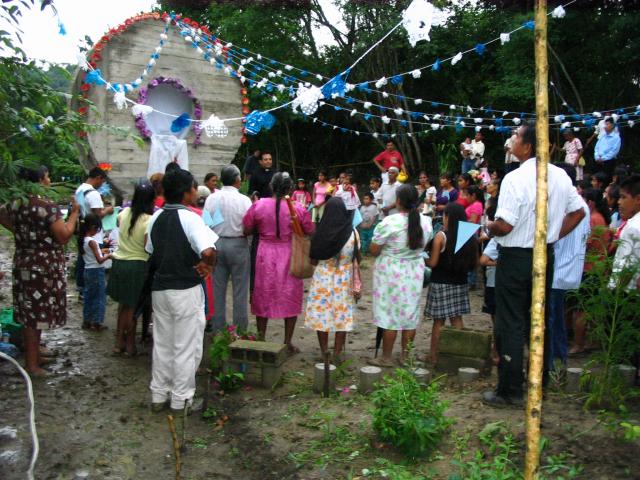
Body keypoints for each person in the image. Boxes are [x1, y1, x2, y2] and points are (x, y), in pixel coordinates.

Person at [482, 121, 586, 408]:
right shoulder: (560, 176)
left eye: (515, 135)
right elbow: (578, 212)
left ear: (527, 145)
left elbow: (505, 225)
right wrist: (551, 236)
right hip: (545, 254)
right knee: (540, 318)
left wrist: (488, 226)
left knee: (512, 321)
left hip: (516, 258)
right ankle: (541, 382)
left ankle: (511, 390)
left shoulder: (515, 178)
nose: (511, 139)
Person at [146, 168, 218, 414]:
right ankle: (181, 400)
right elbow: (208, 250)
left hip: (160, 290)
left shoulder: (155, 218)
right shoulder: (190, 218)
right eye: (194, 187)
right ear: (187, 192)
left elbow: (150, 250)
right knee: (186, 346)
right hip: (185, 290)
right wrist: (208, 265)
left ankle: (158, 395)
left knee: (163, 344)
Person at [0, 166, 80, 376]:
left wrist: (19, 232)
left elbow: (2, 214)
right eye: (47, 176)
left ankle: (34, 355)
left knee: (31, 310)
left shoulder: (16, 204)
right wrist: (74, 214)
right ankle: (32, 365)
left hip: (24, 261)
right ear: (39, 180)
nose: (49, 179)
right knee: (36, 313)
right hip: (44, 266)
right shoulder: (46, 206)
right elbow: (63, 236)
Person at [242, 172, 314, 353]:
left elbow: (247, 229)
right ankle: (287, 342)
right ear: (290, 188)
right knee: (290, 295)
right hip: (289, 253)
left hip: (265, 254)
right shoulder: (297, 208)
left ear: (271, 187)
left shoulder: (258, 205)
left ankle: (261, 338)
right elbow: (309, 229)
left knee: (262, 293)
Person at [368, 184, 433, 367]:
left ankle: (386, 357)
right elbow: (424, 245)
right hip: (413, 272)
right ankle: (406, 356)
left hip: (390, 273)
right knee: (410, 314)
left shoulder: (389, 222)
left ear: (398, 201)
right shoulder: (426, 222)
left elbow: (373, 249)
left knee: (389, 314)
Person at [305, 197, 360, 364]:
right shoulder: (353, 233)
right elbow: (358, 258)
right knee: (341, 315)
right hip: (344, 279)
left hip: (323, 277)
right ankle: (337, 353)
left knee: (322, 315)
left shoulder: (319, 233)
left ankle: (324, 352)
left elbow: (313, 261)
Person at [424, 203, 478, 363]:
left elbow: (433, 263)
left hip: (441, 283)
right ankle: (458, 354)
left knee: (438, 321)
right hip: (461, 283)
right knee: (456, 319)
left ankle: (433, 356)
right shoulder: (470, 236)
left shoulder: (441, 236)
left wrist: (422, 258)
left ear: (448, 217)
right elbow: (475, 262)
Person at [547, 164, 590, 366]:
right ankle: (557, 358)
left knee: (553, 320)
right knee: (558, 319)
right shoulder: (579, 204)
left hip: (560, 270)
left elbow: (554, 236)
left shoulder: (572, 206)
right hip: (569, 270)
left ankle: (557, 360)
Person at [107, 181, 156, 357]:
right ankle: (129, 345)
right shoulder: (149, 221)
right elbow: (147, 247)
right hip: (137, 266)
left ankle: (118, 343)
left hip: (119, 263)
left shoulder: (123, 214)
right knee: (133, 309)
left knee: (123, 307)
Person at [204, 165, 252, 333]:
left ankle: (218, 331)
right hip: (238, 244)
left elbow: (206, 223)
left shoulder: (211, 198)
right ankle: (240, 332)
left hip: (216, 243)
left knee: (218, 289)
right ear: (237, 180)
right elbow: (249, 225)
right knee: (240, 290)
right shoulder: (244, 200)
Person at [571, 187, 611, 355]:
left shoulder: (593, 220)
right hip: (598, 269)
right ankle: (590, 342)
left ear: (590, 202)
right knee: (590, 308)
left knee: (580, 309)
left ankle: (578, 344)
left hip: (588, 269)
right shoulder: (601, 219)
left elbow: (585, 243)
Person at [74, 167, 114, 294]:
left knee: (84, 261)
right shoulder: (93, 193)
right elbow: (98, 215)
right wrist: (108, 210)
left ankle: (82, 289)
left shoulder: (79, 190)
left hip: (83, 231)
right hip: (94, 234)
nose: (101, 185)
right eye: (102, 182)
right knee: (95, 264)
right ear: (98, 178)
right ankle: (94, 291)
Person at [79, 213, 112, 331]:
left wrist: (103, 250)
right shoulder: (92, 242)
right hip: (97, 271)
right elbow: (99, 260)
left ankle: (87, 320)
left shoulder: (83, 240)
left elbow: (93, 254)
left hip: (87, 270)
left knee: (89, 296)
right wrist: (109, 255)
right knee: (99, 297)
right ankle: (97, 322)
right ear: (92, 227)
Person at [610, 174, 640, 291]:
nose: (619, 202)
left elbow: (628, 267)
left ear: (638, 199)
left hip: (624, 294)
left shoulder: (633, 227)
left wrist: (612, 293)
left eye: (623, 197)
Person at [479, 238, 499, 365]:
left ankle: (496, 350)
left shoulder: (496, 240)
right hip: (513, 284)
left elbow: (483, 260)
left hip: (494, 283)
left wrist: (499, 263)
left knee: (497, 320)